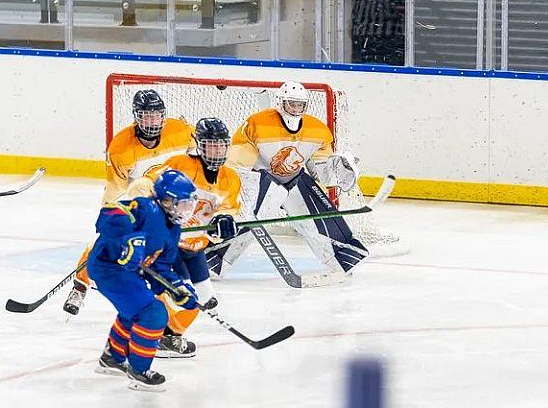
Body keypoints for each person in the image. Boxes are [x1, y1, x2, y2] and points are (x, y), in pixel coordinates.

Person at [62, 89, 194, 316]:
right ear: (136, 117)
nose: (152, 121)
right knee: (105, 240)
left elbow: (194, 161)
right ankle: (80, 286)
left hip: (173, 199)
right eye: (146, 116)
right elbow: (116, 193)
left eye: (156, 115)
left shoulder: (181, 131)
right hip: (140, 202)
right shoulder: (121, 148)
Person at [214, 81, 366, 277]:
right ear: (280, 103)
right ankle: (214, 260)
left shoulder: (317, 130)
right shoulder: (257, 123)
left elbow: (321, 173)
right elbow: (239, 166)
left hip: (294, 178)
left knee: (315, 215)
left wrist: (340, 170)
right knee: (248, 220)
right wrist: (243, 195)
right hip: (261, 179)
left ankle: (343, 259)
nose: (295, 109)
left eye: (299, 105)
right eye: (291, 104)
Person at [130, 117, 240, 358]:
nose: (217, 151)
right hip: (170, 244)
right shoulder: (180, 165)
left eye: (221, 145)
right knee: (178, 293)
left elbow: (229, 208)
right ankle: (146, 335)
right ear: (199, 145)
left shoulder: (231, 179)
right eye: (211, 145)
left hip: (195, 247)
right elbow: (146, 185)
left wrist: (224, 221)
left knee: (205, 299)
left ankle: (170, 336)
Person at [86, 169, 200, 392]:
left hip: (127, 274)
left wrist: (178, 289)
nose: (187, 210)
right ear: (166, 201)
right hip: (108, 268)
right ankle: (139, 371)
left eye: (190, 204)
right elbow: (108, 214)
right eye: (182, 204)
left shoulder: (173, 230)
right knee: (153, 313)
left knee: (135, 311)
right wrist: (131, 239)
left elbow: (160, 267)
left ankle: (113, 358)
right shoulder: (147, 208)